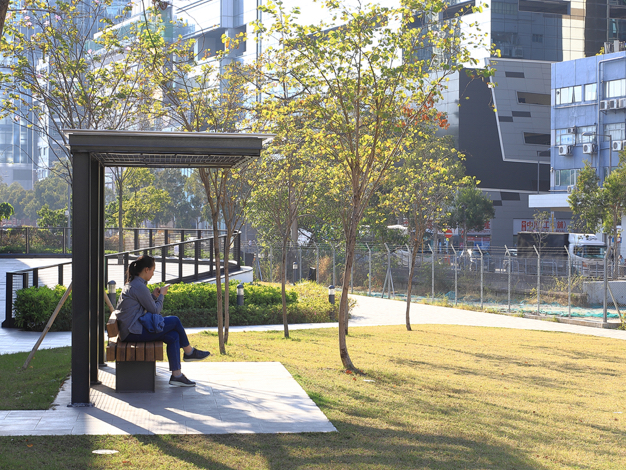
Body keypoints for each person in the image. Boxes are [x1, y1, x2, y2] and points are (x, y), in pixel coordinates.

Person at [115, 254, 210, 387]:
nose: (153, 274)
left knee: (173, 336)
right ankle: (189, 352)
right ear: (146, 270)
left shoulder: (135, 284)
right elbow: (155, 310)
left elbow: (143, 305)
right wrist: (162, 296)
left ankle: (177, 375)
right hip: (133, 331)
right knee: (175, 321)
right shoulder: (139, 286)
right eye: (153, 270)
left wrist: (153, 296)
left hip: (130, 329)